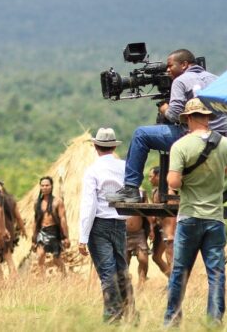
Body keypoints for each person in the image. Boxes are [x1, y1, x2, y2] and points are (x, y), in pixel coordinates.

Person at [111, 49, 227, 203]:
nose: (167, 70)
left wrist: (164, 108)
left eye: (170, 66)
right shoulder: (216, 79)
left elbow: (174, 115)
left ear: (184, 64)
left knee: (140, 134)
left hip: (194, 138)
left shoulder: (180, 81)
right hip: (220, 137)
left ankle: (131, 188)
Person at [163, 99, 227, 327]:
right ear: (207, 117)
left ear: (189, 117)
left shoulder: (181, 146)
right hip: (214, 218)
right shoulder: (226, 144)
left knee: (180, 273)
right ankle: (214, 322)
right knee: (215, 274)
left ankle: (172, 322)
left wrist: (177, 178)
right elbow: (225, 171)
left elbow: (173, 182)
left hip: (190, 217)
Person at [78, 128, 134, 323]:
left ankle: (113, 316)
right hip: (120, 223)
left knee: (107, 272)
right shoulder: (125, 166)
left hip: (99, 225)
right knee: (121, 270)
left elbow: (89, 204)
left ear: (96, 146)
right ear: (113, 146)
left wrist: (83, 237)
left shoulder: (92, 170)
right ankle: (129, 313)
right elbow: (132, 194)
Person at [32, 176, 70, 278]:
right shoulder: (37, 203)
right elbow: (36, 221)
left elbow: (63, 219)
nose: (45, 187)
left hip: (54, 232)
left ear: (51, 186)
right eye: (42, 185)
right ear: (40, 187)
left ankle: (64, 277)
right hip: (42, 232)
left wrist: (66, 237)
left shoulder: (57, 201)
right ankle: (42, 280)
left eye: (47, 185)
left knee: (56, 259)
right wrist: (34, 238)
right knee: (40, 256)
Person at [148, 166, 172, 276]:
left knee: (169, 255)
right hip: (160, 228)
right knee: (156, 257)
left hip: (168, 229)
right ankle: (172, 281)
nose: (149, 179)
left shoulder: (168, 191)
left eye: (150, 177)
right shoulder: (156, 191)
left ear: (158, 176)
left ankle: (175, 284)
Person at [0, 184, 26, 280]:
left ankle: (3, 281)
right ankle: (13, 280)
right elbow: (18, 218)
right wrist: (23, 230)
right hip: (10, 230)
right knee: (8, 257)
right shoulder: (11, 200)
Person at [125, 189, 150, 288]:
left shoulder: (142, 193)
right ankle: (126, 283)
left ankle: (142, 280)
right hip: (124, 233)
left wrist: (151, 227)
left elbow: (147, 211)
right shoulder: (121, 191)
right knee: (125, 260)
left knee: (143, 259)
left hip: (139, 233)